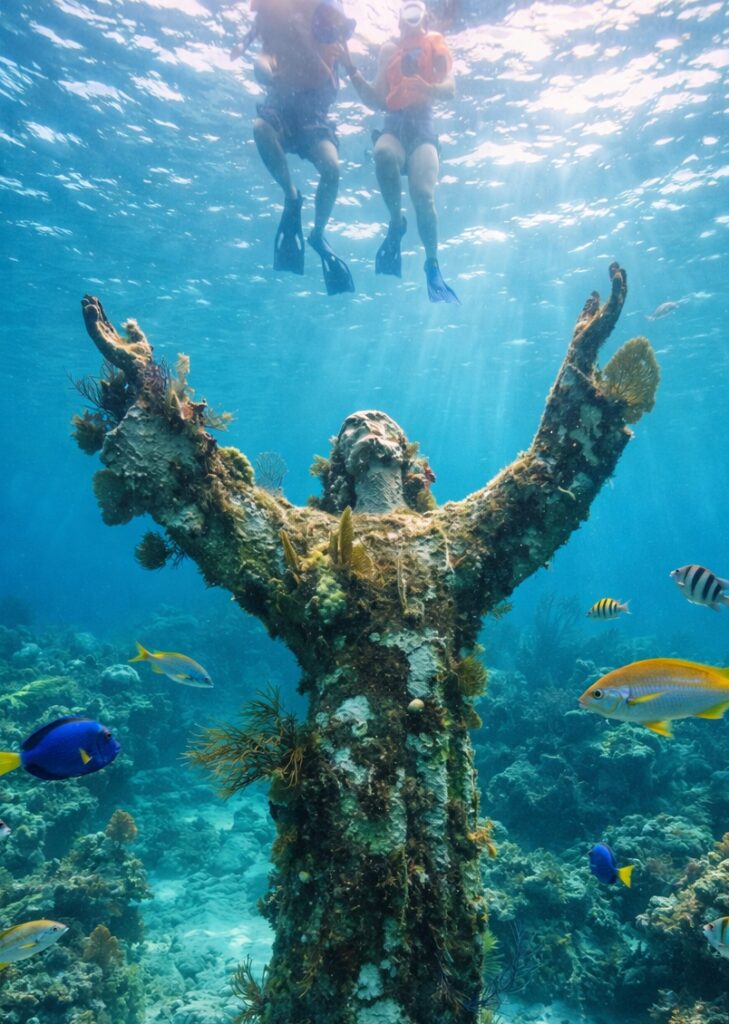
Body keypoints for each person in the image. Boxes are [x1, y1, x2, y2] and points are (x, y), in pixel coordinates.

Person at [339, 0, 459, 303]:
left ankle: (432, 265)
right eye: (406, 10)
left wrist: (428, 88)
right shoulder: (389, 51)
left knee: (422, 194)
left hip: (423, 127)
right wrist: (351, 69)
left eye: (416, 10)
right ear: (398, 21)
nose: (411, 16)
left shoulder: (435, 45)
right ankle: (396, 222)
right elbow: (376, 99)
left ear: (425, 19)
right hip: (393, 125)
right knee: (383, 153)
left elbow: (451, 89)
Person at [245, 0, 356, 295]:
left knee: (332, 168)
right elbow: (263, 59)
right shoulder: (279, 24)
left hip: (313, 116)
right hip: (280, 104)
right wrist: (267, 73)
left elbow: (336, 70)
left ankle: (318, 234)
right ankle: (292, 197)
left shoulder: (331, 29)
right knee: (260, 129)